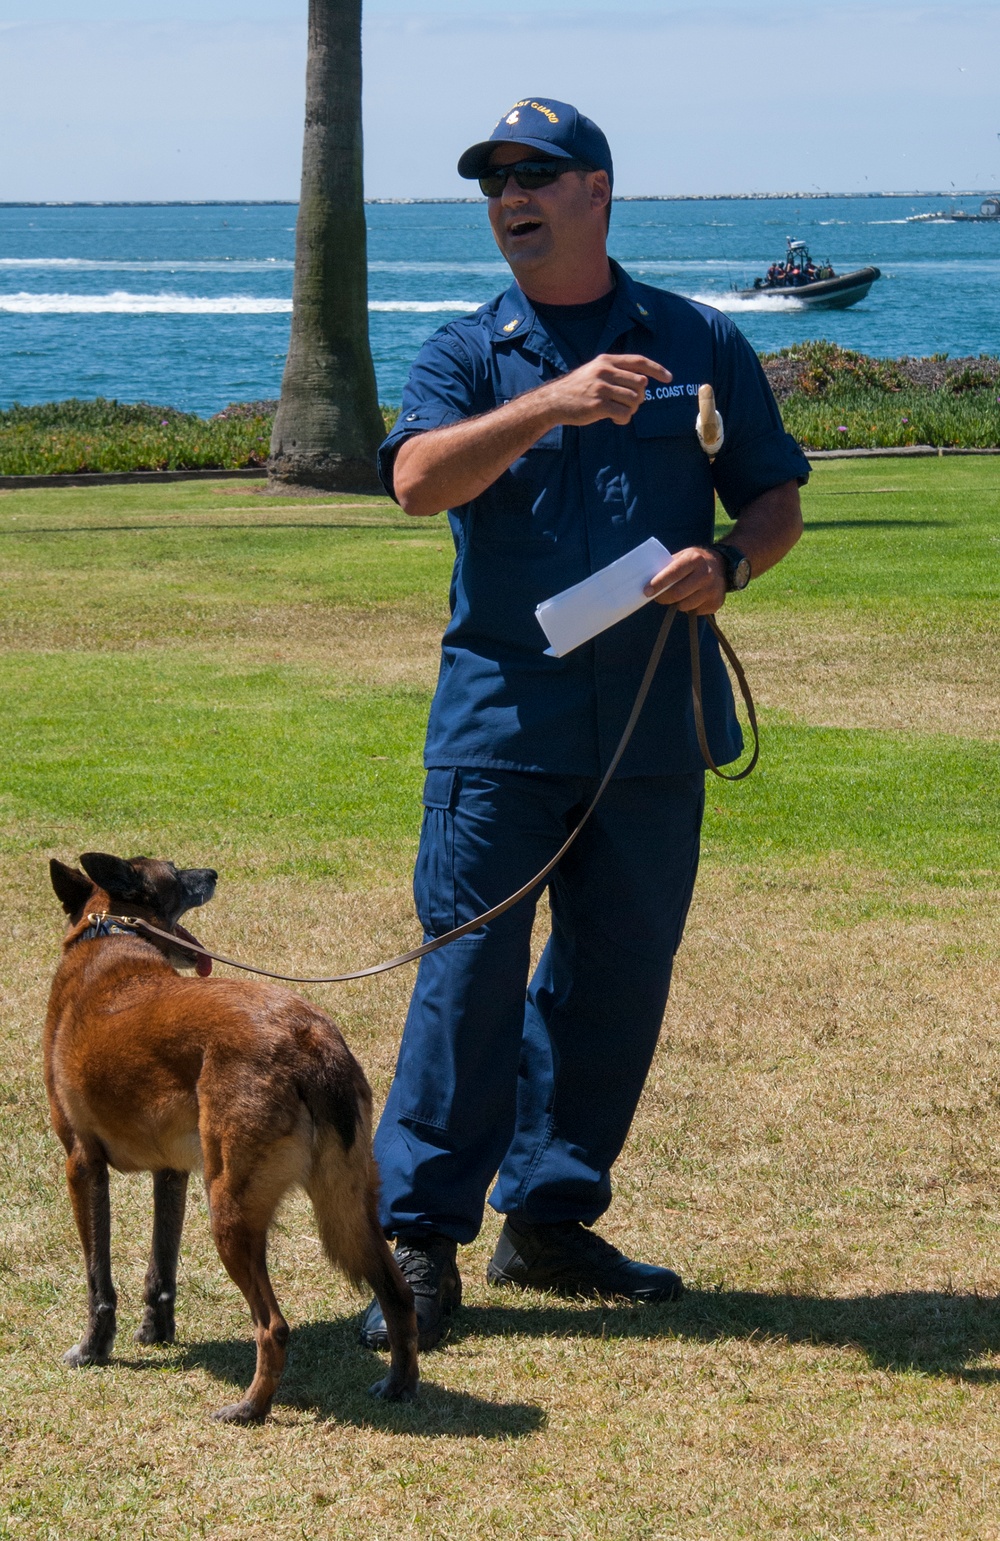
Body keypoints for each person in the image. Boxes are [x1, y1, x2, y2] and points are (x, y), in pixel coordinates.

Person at [360, 98, 808, 1352]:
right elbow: (414, 482)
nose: (510, 196)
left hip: (656, 721)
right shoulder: (468, 351)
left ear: (596, 191)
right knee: (469, 978)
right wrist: (550, 403)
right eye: (493, 180)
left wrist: (729, 563)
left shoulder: (699, 336)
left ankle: (549, 1217)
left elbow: (771, 493)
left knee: (615, 982)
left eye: (535, 174)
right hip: (502, 723)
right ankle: (417, 1238)